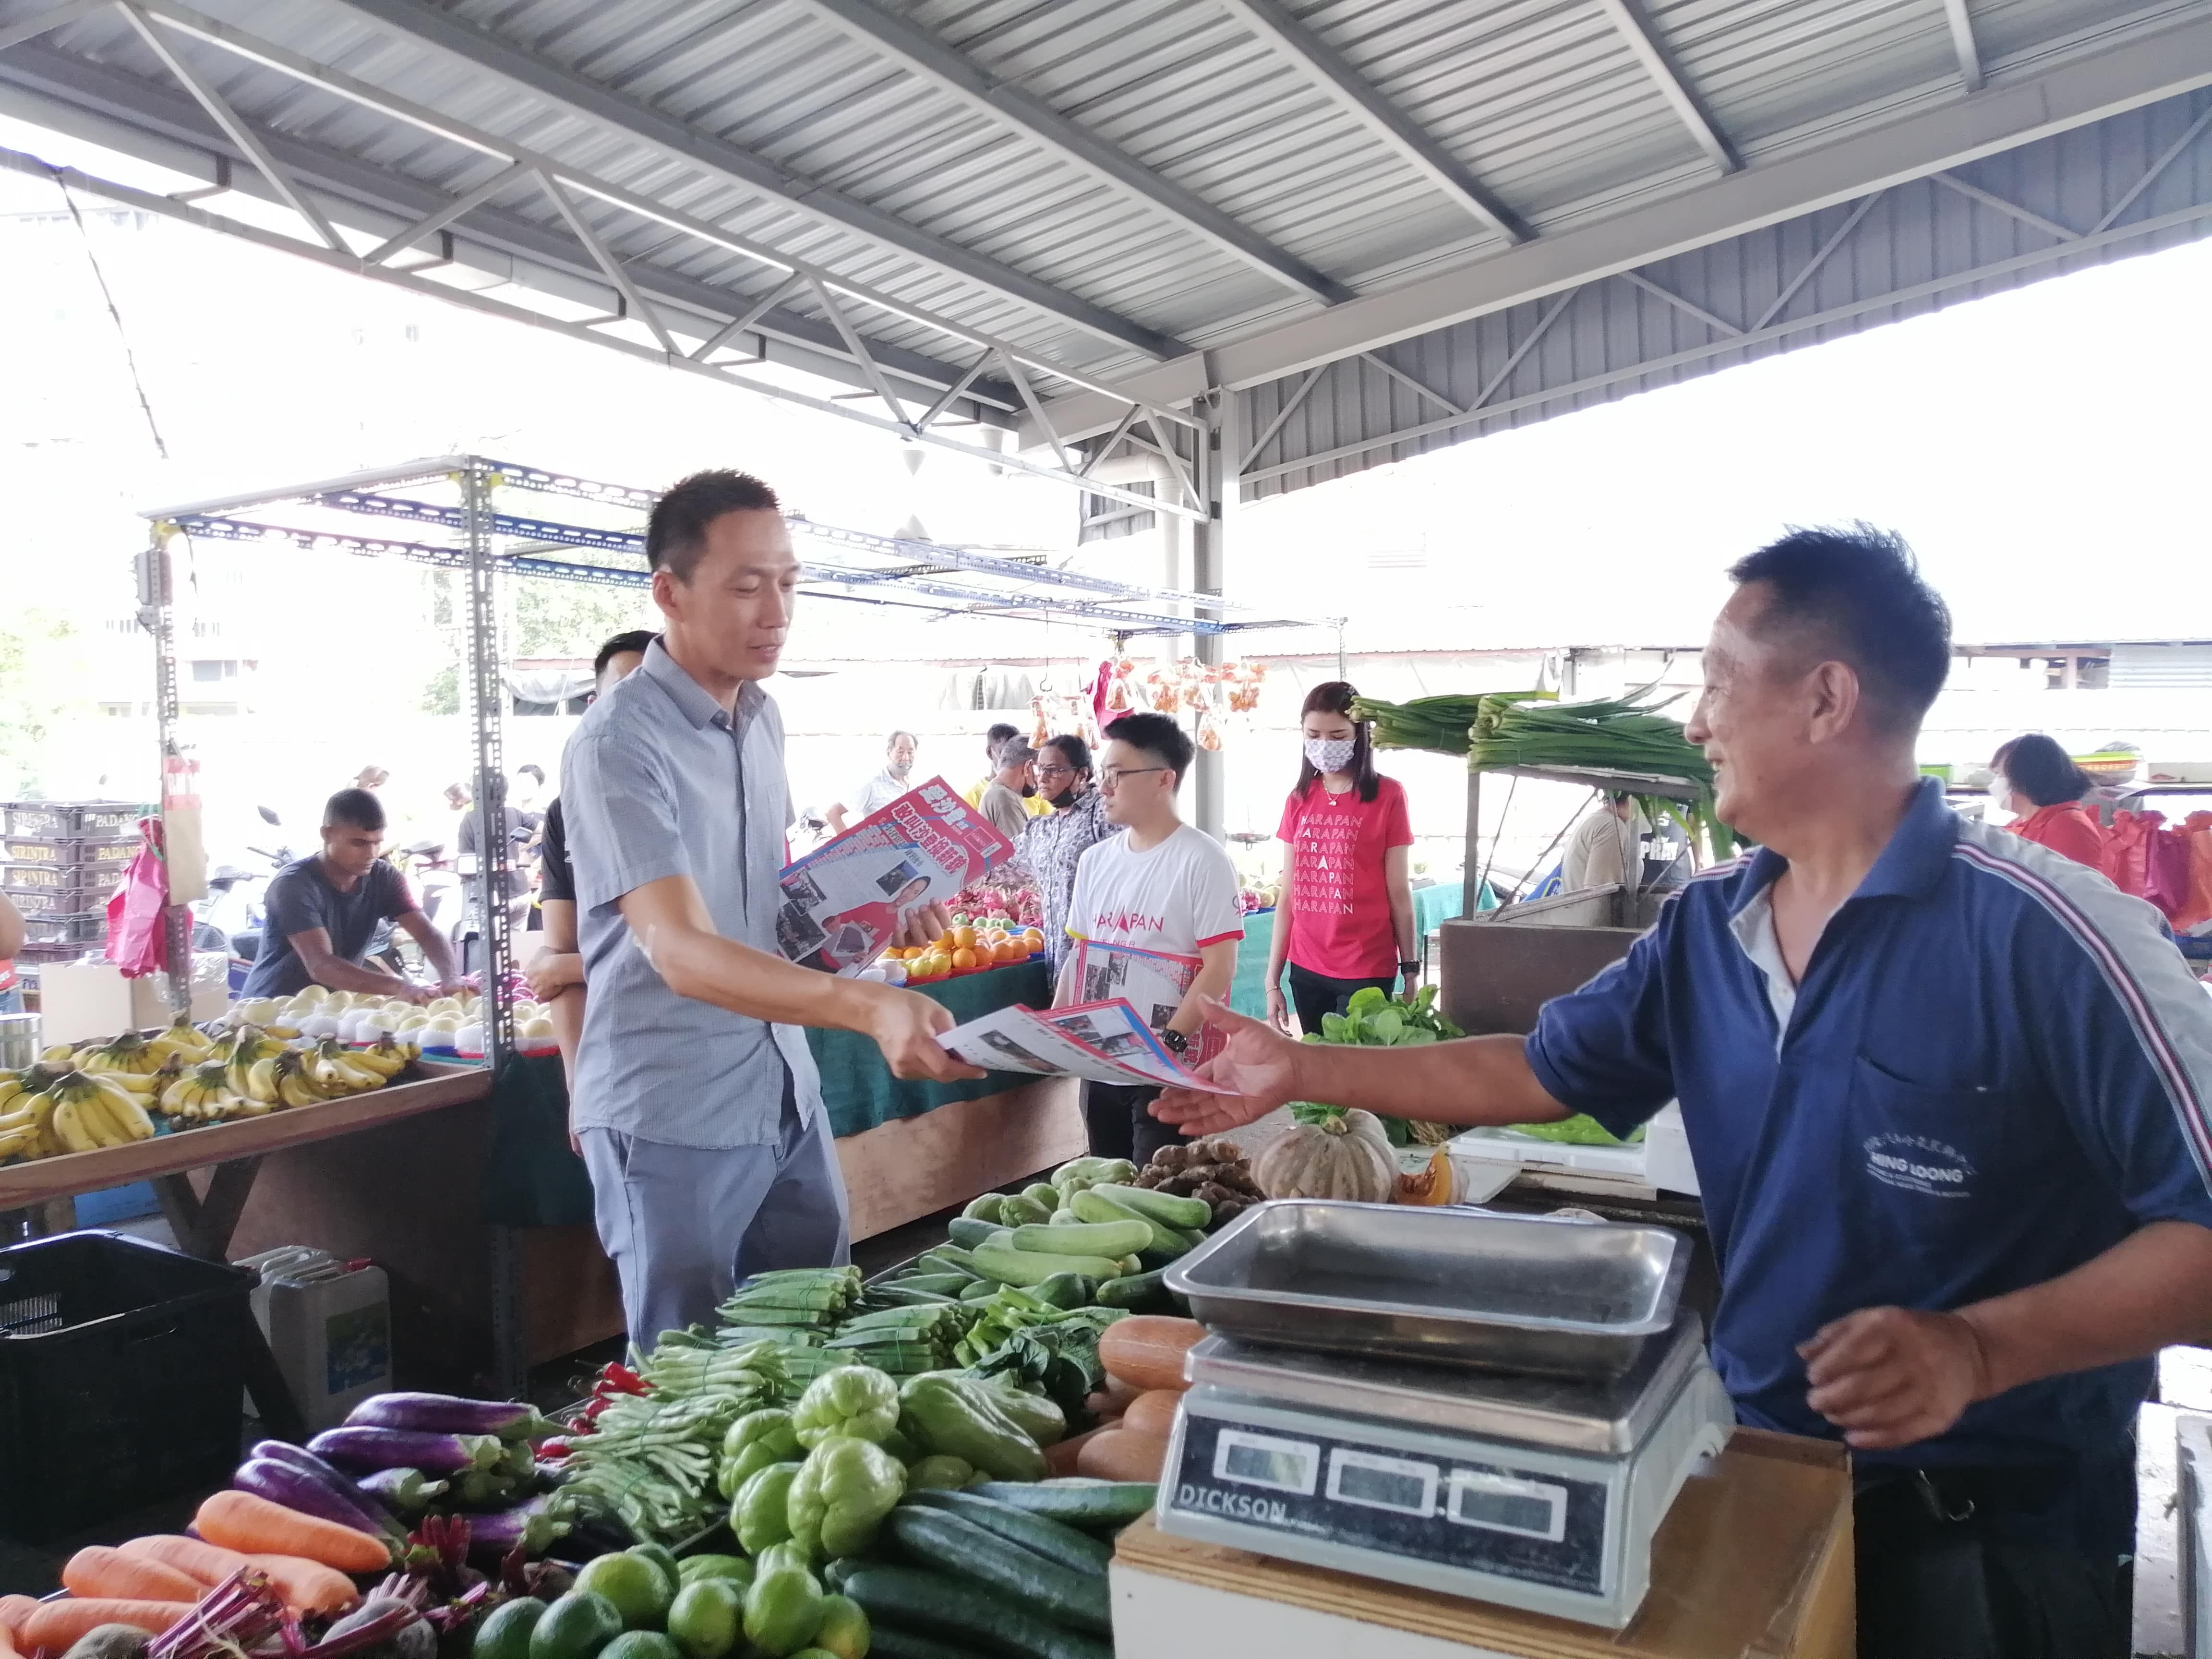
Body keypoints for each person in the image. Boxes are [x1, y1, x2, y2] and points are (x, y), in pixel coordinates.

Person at [1157, 525, 2212, 1659]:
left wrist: (1977, 1346)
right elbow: (1532, 1065)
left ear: (1824, 697)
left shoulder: (2046, 934)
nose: (1695, 720)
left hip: (1996, 1533)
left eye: (1716, 681)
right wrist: (1305, 1064)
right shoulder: (1709, 924)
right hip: (1763, 1465)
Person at [561, 470, 980, 1348]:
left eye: (788, 582)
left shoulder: (762, 718)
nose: (775, 610)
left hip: (782, 1092)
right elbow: (678, 948)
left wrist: (868, 920)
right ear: (667, 592)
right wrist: (868, 1005)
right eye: (747, 586)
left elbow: (769, 917)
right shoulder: (615, 743)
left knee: (813, 1342)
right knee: (688, 1376)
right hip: (671, 1110)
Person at [1063, 711, 1242, 1167]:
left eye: (1117, 774)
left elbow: (1219, 968)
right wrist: (1059, 1030)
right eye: (1103, 774)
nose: (1103, 786)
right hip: (1102, 1065)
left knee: (1160, 1192)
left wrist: (1173, 1042)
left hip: (1167, 1069)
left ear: (1164, 779)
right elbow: (1082, 956)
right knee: (1104, 1184)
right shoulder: (1095, 861)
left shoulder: (1203, 860)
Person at [523, 629, 655, 1096]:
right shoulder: (565, 813)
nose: (638, 712)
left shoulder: (709, 807)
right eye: (622, 696)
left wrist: (571, 968)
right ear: (594, 705)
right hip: (613, 1061)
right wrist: (578, 1084)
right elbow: (556, 956)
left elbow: (710, 952)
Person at [1264, 681, 1417, 1036]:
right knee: (1317, 1074)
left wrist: (1410, 969)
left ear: (1360, 735)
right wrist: (1273, 982)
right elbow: (1289, 896)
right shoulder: (1299, 799)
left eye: (1338, 735)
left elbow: (1399, 892)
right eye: (1314, 735)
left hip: (1366, 968)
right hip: (1306, 967)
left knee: (1356, 1078)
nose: (1324, 745)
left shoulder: (1388, 796)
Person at [239, 788, 466, 1001]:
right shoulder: (292, 884)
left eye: (377, 843)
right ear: (327, 834)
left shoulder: (384, 877)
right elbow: (321, 964)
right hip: (269, 1011)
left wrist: (451, 978)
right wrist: (400, 986)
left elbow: (426, 933)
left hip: (331, 1011)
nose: (371, 854)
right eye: (359, 843)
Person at [1020, 733, 1115, 973]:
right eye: (1040, 769)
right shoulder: (1042, 829)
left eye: (1053, 770)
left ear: (1082, 775)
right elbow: (1000, 860)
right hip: (1057, 959)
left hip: (1100, 957)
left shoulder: (1104, 814)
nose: (1043, 778)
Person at [1991, 734, 2106, 870]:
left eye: (2000, 775)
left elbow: (2066, 888)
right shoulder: (2027, 821)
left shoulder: (2069, 827)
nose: (1995, 784)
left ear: (2025, 778)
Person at [825, 732, 918, 835]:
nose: (906, 758)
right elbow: (833, 813)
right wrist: (850, 845)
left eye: (910, 752)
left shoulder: (918, 785)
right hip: (882, 848)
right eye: (900, 752)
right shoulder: (872, 785)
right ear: (889, 753)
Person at [1562, 791, 1653, 890]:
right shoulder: (1613, 827)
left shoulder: (1597, 820)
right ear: (1632, 800)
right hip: (1590, 906)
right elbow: (1601, 893)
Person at [977, 740, 1038, 841]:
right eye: (1041, 769)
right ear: (1028, 766)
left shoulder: (999, 792)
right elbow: (1020, 853)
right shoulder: (1005, 800)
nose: (1041, 779)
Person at [960, 724, 1020, 809]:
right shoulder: (974, 797)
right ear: (989, 752)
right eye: (1003, 753)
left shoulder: (1034, 794)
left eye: (1016, 753)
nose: (1011, 759)